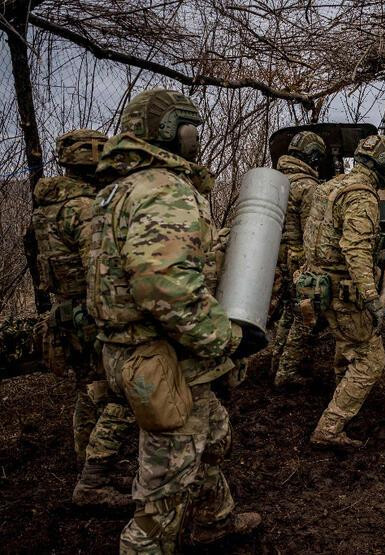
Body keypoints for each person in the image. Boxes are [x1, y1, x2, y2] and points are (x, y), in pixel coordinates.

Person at [87, 88, 266, 552]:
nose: (197, 138)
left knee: (208, 436)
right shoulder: (163, 189)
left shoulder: (115, 191)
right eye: (192, 128)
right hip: (163, 356)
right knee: (166, 484)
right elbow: (162, 283)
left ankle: (215, 519)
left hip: (128, 351)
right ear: (173, 131)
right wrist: (226, 338)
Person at [31, 129, 133, 507]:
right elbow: (101, 267)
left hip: (65, 311)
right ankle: (94, 479)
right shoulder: (86, 208)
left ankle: (89, 462)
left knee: (88, 389)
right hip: (92, 311)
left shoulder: (45, 208)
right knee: (118, 390)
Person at [301, 134, 385, 449]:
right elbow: (355, 250)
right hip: (344, 289)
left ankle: (344, 395)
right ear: (384, 166)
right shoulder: (362, 195)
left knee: (347, 346)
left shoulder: (328, 187)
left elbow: (315, 237)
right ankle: (330, 427)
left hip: (318, 286)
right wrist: (372, 299)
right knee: (371, 358)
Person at [271, 131, 326, 388]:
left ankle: (276, 360)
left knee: (289, 313)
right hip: (299, 260)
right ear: (313, 157)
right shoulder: (308, 187)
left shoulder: (277, 180)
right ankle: (286, 371)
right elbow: (311, 234)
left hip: (276, 256)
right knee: (306, 315)